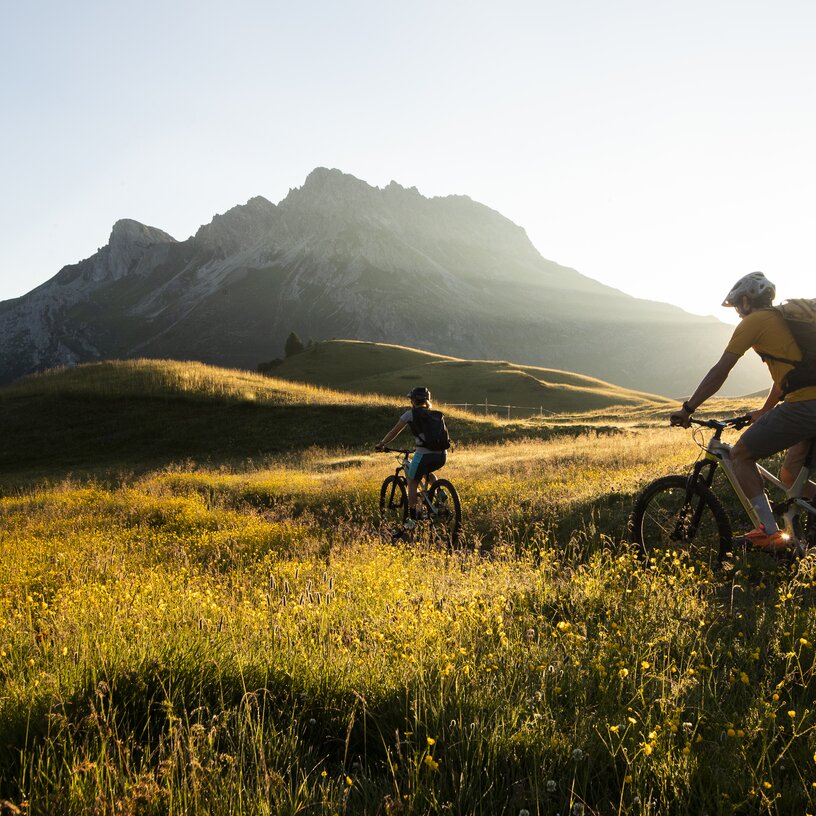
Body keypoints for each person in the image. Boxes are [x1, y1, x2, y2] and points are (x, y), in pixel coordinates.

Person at [670, 271, 816, 552]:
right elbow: (785, 377)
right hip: (809, 402)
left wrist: (688, 408)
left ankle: (769, 534)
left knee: (741, 455)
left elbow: (721, 370)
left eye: (738, 305)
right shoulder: (782, 322)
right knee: (790, 474)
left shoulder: (754, 322)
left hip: (804, 406)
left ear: (748, 302)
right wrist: (765, 410)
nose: (737, 312)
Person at [375, 386, 448, 529]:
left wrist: (382, 444)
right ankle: (440, 493)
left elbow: (394, 432)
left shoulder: (410, 414)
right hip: (441, 455)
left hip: (424, 455)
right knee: (428, 473)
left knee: (412, 481)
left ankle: (412, 517)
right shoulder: (435, 415)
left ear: (413, 400)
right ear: (427, 400)